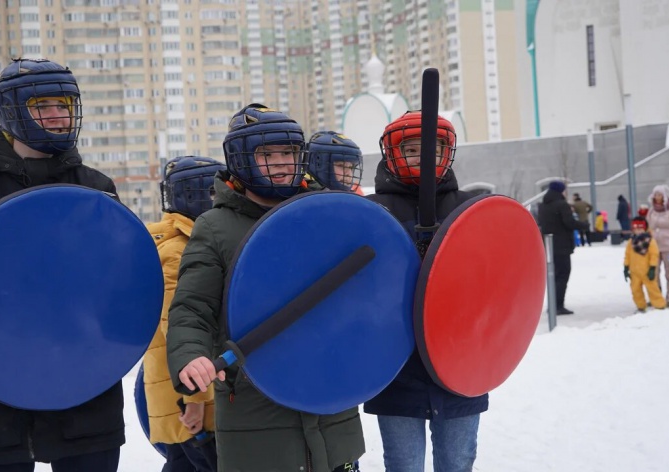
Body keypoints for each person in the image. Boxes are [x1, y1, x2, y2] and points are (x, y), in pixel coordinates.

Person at [0, 58, 124, 471]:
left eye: (64, 105)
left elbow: (120, 294)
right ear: (12, 112)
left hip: (83, 393)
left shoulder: (98, 192)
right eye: (42, 105)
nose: (57, 115)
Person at [165, 104, 364, 472]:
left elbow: (364, 294)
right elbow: (192, 308)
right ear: (241, 160)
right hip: (255, 414)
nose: (281, 163)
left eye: (287, 153)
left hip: (331, 406)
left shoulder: (326, 214)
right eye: (267, 154)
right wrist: (190, 354)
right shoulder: (215, 227)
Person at [362, 110, 485, 472]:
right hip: (396, 368)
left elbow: (490, 279)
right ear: (393, 154)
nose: (423, 157)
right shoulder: (371, 212)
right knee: (403, 464)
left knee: (458, 461)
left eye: (433, 149)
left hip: (460, 361)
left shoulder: (469, 208)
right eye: (413, 149)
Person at [143, 156, 224, 472]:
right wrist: (195, 400)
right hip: (189, 396)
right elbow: (177, 325)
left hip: (182, 392)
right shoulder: (180, 251)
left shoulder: (184, 241)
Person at [538, 180, 589, 315]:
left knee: (554, 276)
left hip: (549, 246)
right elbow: (569, 223)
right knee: (562, 275)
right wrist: (584, 225)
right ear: (561, 191)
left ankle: (553, 304)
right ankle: (558, 305)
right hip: (562, 245)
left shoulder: (543, 205)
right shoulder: (561, 205)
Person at [623, 216, 666, 313]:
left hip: (647, 271)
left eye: (640, 228)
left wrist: (652, 267)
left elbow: (654, 255)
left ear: (645, 228)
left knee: (653, 289)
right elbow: (627, 255)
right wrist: (626, 267)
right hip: (635, 272)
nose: (638, 231)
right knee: (635, 290)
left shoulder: (650, 241)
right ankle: (641, 306)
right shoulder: (631, 242)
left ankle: (659, 305)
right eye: (635, 229)